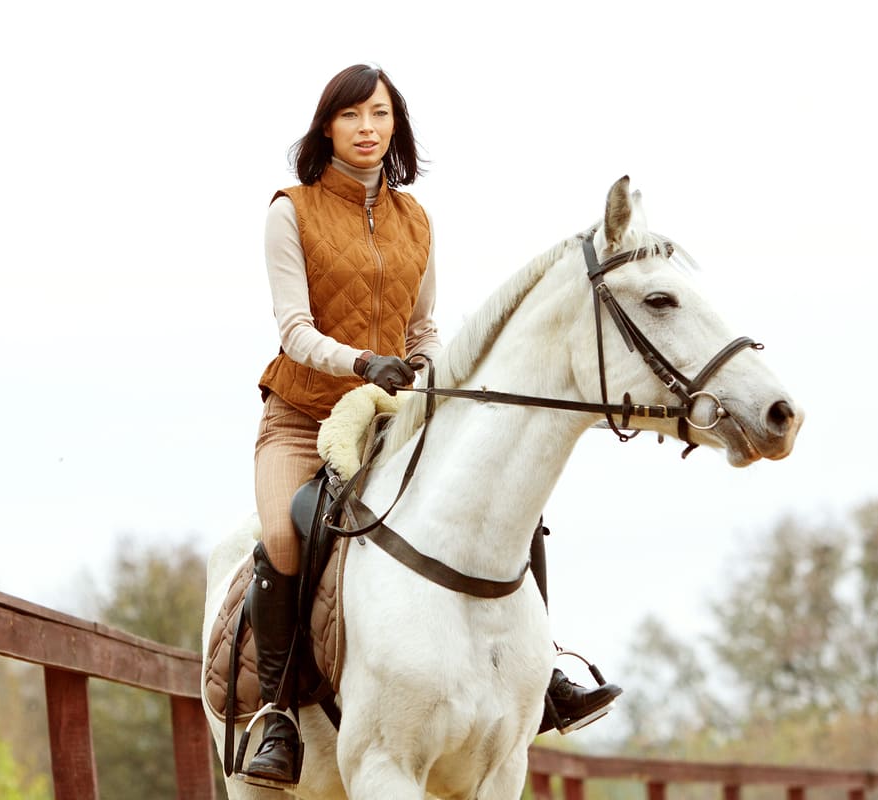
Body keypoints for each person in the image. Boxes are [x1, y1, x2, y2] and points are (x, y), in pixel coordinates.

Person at [245, 63, 619, 790]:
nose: (366, 128)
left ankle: (540, 682)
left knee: (512, 514)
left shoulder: (417, 218)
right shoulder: (288, 211)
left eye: (379, 115)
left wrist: (428, 371)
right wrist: (361, 363)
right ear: (328, 126)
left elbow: (424, 327)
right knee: (286, 535)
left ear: (395, 125)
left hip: (395, 413)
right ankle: (278, 713)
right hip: (300, 415)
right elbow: (292, 330)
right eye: (352, 116)